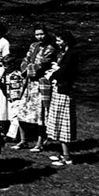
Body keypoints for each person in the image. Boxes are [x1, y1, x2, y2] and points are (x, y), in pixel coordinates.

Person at [13, 25, 56, 150]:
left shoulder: (50, 48)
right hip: (28, 84)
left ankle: (40, 142)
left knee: (39, 114)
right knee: (21, 110)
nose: (39, 37)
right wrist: (26, 67)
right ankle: (23, 140)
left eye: (41, 34)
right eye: (37, 34)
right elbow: (25, 59)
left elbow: (41, 64)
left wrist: (31, 68)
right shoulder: (33, 46)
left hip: (40, 83)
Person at [40, 30, 77, 165]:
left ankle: (67, 156)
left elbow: (65, 72)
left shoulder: (71, 54)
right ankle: (62, 153)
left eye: (59, 40)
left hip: (64, 91)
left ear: (66, 41)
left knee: (63, 123)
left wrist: (53, 73)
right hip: (59, 89)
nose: (57, 43)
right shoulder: (64, 53)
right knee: (57, 121)